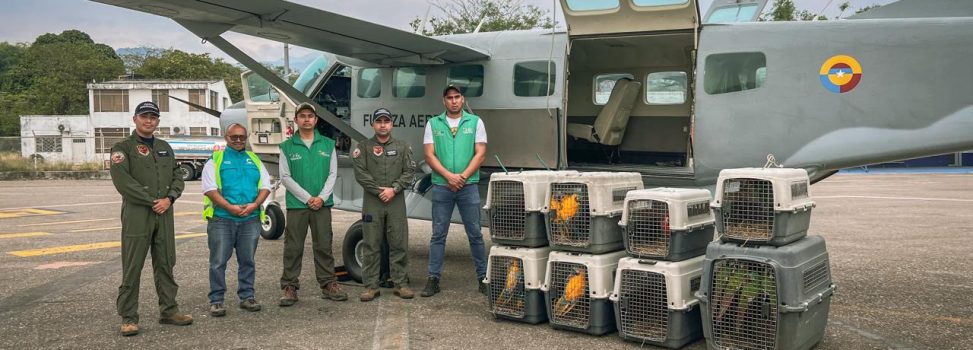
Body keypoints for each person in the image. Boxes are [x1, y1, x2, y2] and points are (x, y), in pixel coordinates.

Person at [108, 101, 192, 336]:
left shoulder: (165, 147)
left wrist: (170, 199)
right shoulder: (122, 147)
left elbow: (177, 176)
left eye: (153, 117)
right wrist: (151, 200)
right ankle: (128, 317)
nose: (148, 121)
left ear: (157, 121)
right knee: (133, 265)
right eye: (144, 116)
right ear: (134, 119)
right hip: (138, 213)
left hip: (165, 212)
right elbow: (122, 181)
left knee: (166, 262)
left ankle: (169, 310)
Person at [421, 85, 489, 297]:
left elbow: (480, 153)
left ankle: (483, 279)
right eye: (449, 97)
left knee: (476, 234)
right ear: (444, 101)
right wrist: (449, 176)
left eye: (457, 97)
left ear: (462, 99)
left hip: (467, 186)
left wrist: (462, 176)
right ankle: (433, 279)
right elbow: (429, 155)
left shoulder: (476, 122)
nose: (453, 101)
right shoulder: (433, 123)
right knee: (438, 234)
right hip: (442, 186)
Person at [278, 102, 347, 306]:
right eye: (302, 116)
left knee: (324, 245)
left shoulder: (327, 144)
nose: (306, 119)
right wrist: (308, 198)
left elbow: (333, 174)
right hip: (298, 205)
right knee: (293, 247)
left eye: (310, 116)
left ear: (316, 120)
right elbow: (285, 176)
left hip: (322, 205)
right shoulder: (287, 147)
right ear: (296, 120)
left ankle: (328, 284)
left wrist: (321, 198)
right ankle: (289, 286)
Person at [201, 123, 271, 317]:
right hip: (222, 219)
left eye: (242, 137)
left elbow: (266, 185)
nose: (239, 140)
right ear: (226, 137)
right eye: (234, 137)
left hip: (250, 219)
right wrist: (229, 207)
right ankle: (216, 300)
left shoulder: (254, 159)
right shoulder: (216, 159)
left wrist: (255, 205)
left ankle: (247, 296)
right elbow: (210, 189)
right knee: (218, 262)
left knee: (248, 261)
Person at [352, 108, 417, 301]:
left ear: (392, 124)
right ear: (373, 124)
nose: (382, 124)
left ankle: (401, 284)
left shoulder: (403, 147)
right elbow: (360, 173)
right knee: (371, 243)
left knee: (399, 242)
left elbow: (409, 171)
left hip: (395, 201)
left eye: (386, 121)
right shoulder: (363, 147)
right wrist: (379, 191)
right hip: (373, 201)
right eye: (379, 121)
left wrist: (394, 189)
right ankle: (371, 286)